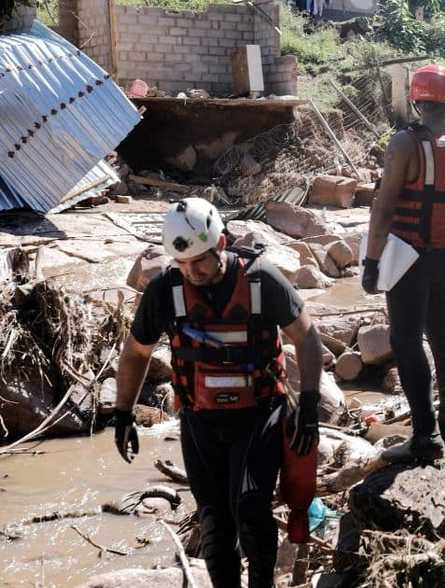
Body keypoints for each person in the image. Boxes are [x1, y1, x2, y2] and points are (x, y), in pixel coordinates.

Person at [112, 198, 323, 588]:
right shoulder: (165, 291)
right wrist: (122, 413)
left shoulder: (261, 280)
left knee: (250, 507)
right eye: (183, 264)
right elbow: (136, 352)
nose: (192, 272)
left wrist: (309, 403)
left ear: (221, 244)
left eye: (200, 261)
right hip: (199, 421)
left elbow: (306, 336)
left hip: (259, 414)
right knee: (214, 523)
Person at [362, 64, 445, 464]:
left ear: (417, 100)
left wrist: (371, 261)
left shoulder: (404, 143)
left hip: (409, 259)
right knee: (444, 341)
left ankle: (424, 435)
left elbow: (382, 209)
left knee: (405, 341)